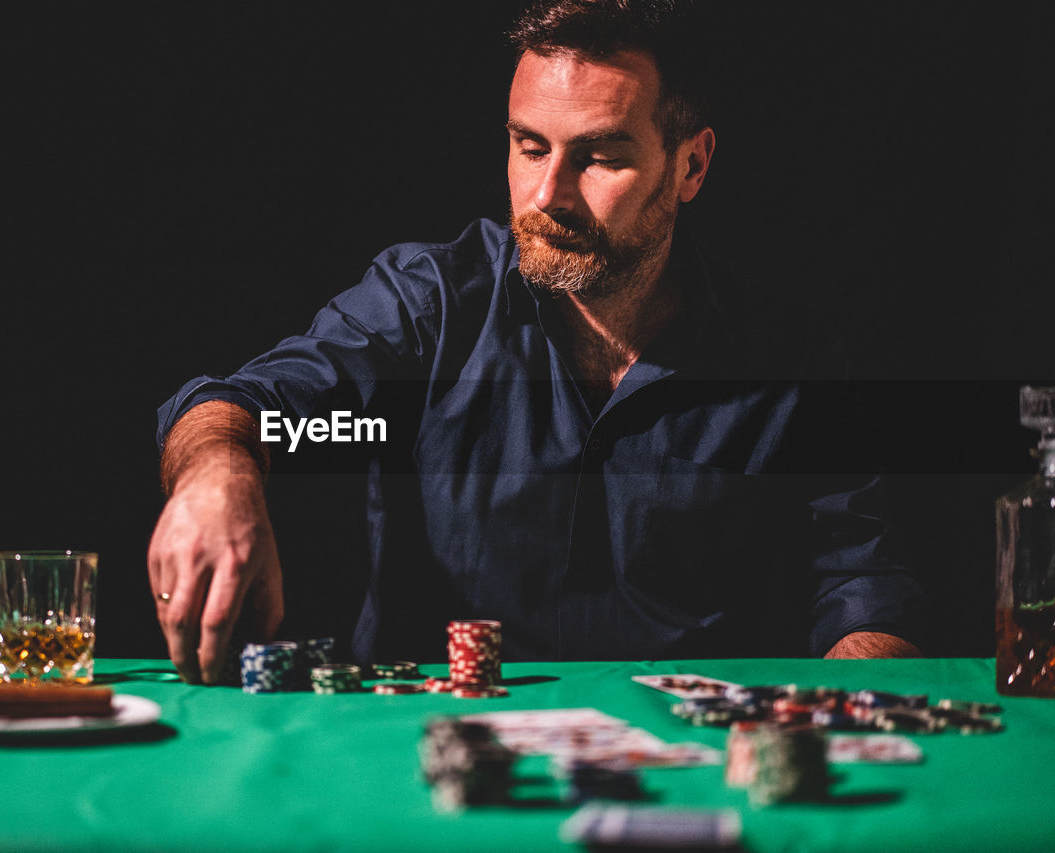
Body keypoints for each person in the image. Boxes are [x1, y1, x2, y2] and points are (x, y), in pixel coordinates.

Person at [148, 0, 924, 685]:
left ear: (690, 165)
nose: (548, 195)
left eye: (599, 157)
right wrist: (220, 472)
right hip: (422, 774)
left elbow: (865, 595)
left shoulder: (791, 361)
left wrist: (850, 717)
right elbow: (250, 403)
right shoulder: (432, 303)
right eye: (530, 147)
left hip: (689, 784)